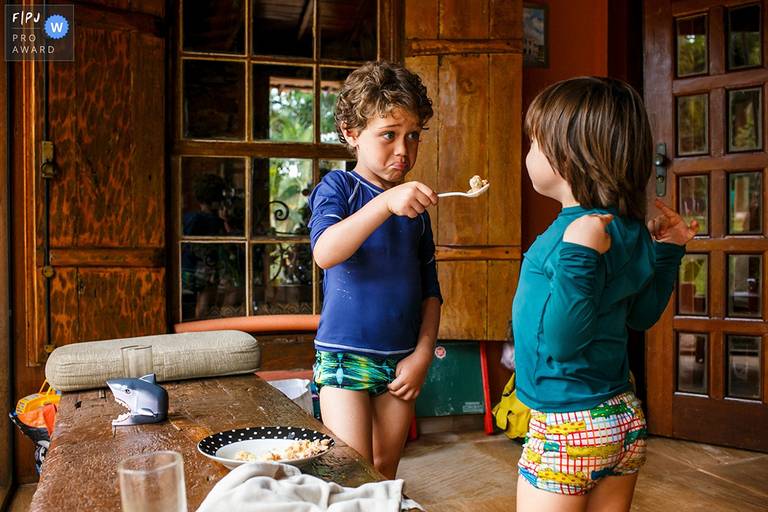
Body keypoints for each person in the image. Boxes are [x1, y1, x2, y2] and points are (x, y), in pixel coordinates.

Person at [514, 77, 698, 511]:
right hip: (621, 418)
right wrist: (669, 252)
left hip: (567, 423)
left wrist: (579, 256)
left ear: (566, 157)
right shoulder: (627, 229)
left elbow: (562, 342)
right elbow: (642, 314)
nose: (529, 154)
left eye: (534, 143)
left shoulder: (570, 239)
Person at [308, 61, 441, 479]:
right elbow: (326, 252)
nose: (403, 150)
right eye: (389, 135)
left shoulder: (416, 210)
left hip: (401, 362)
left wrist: (422, 355)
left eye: (413, 136)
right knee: (352, 470)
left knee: (384, 470)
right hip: (344, 357)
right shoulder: (339, 189)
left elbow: (431, 292)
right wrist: (384, 203)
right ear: (351, 133)